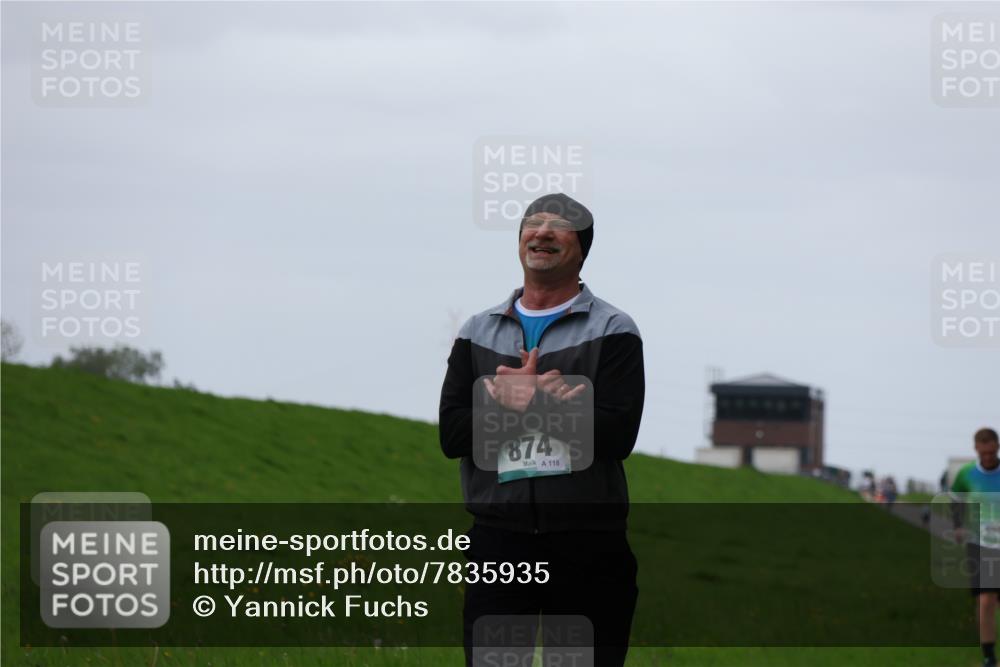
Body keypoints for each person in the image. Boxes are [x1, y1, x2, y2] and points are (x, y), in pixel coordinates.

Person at [439, 193, 645, 667]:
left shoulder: (615, 329)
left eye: (560, 225)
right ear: (519, 242)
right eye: (533, 223)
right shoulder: (477, 332)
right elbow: (451, 436)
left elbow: (616, 435)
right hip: (498, 543)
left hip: (588, 543)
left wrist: (530, 402)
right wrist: (534, 408)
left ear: (582, 247)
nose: (543, 232)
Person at [951, 427, 1000, 667]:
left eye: (992, 452)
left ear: (998, 447)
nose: (989, 457)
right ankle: (989, 657)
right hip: (978, 542)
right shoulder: (966, 474)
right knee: (986, 600)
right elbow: (956, 500)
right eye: (984, 453)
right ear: (976, 450)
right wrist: (958, 525)